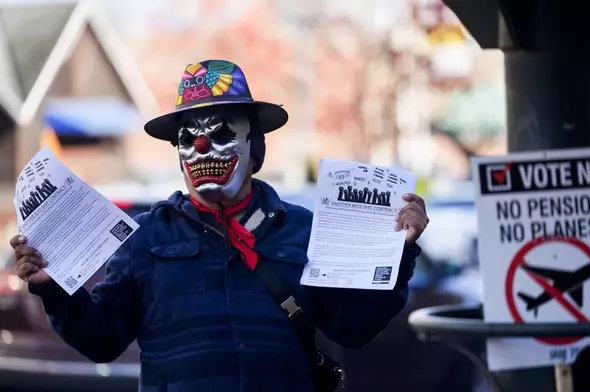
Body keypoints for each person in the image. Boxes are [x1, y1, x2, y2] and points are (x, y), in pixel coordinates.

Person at [10, 60, 429, 392]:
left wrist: (399, 253)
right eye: (188, 138)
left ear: (254, 147)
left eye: (222, 132)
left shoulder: (302, 231)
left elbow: (352, 329)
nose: (202, 147)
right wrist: (53, 288)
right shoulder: (147, 238)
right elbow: (102, 340)